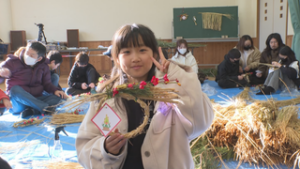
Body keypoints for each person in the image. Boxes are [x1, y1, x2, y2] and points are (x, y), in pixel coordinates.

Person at [76, 24, 214, 169]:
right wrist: (105, 149)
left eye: (142, 50)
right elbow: (85, 146)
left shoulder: (170, 91)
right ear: (116, 58)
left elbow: (200, 123)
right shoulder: (106, 98)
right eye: (127, 52)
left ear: (154, 54)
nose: (135, 58)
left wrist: (176, 76)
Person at [0, 42, 67, 118]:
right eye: (27, 52)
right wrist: (1, 73)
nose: (27, 56)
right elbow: (1, 71)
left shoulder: (43, 66)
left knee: (61, 97)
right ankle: (44, 108)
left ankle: (32, 110)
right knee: (14, 89)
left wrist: (55, 90)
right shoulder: (12, 62)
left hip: (36, 97)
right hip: (19, 102)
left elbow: (47, 84)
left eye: (32, 55)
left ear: (39, 58)